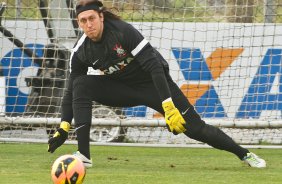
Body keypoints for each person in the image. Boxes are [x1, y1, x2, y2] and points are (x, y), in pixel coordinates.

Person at [47, 0, 266, 169]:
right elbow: (70, 90)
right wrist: (64, 126)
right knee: (81, 84)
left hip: (155, 85)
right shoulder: (80, 50)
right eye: (83, 21)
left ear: (101, 16)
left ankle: (244, 154)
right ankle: (83, 155)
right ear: (79, 23)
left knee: (196, 129)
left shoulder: (123, 31)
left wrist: (168, 106)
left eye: (92, 18)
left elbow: (155, 68)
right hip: (122, 89)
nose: (88, 24)